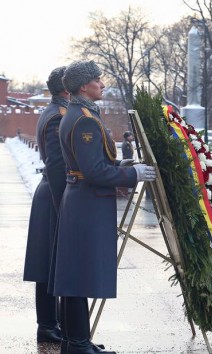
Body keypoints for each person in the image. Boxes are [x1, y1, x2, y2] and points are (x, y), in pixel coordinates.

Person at [53, 60, 157, 354]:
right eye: (97, 80)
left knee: (78, 273)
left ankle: (77, 340)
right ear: (84, 86)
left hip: (83, 201)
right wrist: (132, 174)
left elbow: (96, 162)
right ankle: (76, 343)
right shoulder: (84, 119)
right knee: (79, 275)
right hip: (87, 203)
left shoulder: (82, 114)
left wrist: (124, 164)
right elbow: (95, 171)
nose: (102, 83)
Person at [22, 66, 69, 345]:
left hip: (50, 191)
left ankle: (53, 323)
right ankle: (48, 325)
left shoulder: (53, 111)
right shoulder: (57, 116)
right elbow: (56, 164)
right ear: (66, 88)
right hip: (54, 193)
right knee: (49, 264)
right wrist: (64, 205)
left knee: (50, 263)